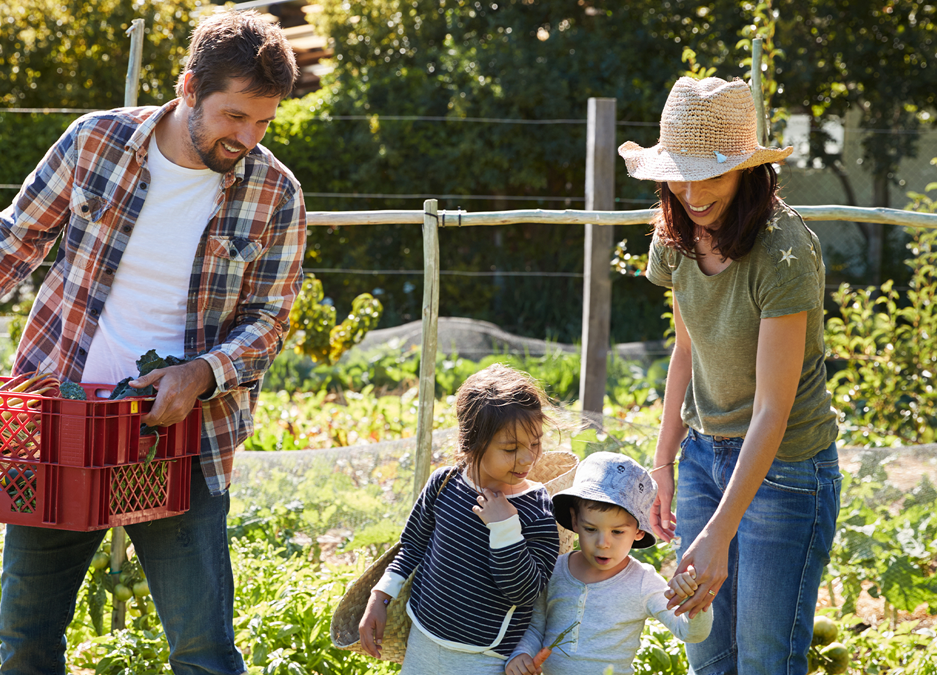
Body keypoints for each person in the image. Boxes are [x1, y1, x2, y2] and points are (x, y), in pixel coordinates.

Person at [0, 11, 304, 675]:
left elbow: (269, 318)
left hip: (178, 439)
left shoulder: (275, 193)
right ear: (189, 87)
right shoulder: (95, 143)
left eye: (264, 122)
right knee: (27, 644)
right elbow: (8, 247)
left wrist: (202, 373)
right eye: (234, 115)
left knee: (205, 653)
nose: (248, 136)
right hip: (59, 426)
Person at [618, 76, 841, 673]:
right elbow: (686, 350)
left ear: (747, 170)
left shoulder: (782, 248)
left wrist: (719, 532)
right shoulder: (675, 233)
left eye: (711, 174)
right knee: (707, 652)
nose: (692, 192)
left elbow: (773, 407)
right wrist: (664, 463)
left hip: (786, 465)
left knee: (767, 659)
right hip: (701, 459)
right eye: (679, 173)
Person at [357, 364, 560, 673]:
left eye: (535, 443)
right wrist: (380, 596)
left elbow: (527, 593)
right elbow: (412, 546)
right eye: (511, 448)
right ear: (474, 442)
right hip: (423, 640)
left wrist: (505, 529)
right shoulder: (444, 483)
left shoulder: (538, 509)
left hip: (485, 658)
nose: (528, 458)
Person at [504, 452, 712, 675]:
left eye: (617, 532)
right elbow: (536, 627)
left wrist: (695, 601)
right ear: (575, 520)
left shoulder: (642, 582)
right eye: (591, 529)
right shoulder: (555, 570)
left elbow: (690, 634)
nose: (603, 543)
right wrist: (522, 654)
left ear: (638, 531)